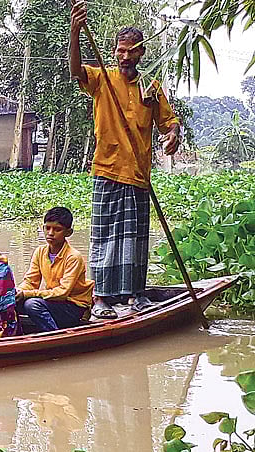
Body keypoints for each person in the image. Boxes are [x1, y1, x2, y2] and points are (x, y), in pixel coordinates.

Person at [70, 2, 181, 318]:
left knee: (135, 241)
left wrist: (174, 135)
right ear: (115, 51)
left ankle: (135, 297)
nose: (125, 56)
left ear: (142, 52)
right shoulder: (102, 79)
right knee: (104, 237)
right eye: (121, 50)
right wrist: (76, 31)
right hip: (106, 170)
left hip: (138, 175)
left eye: (132, 51)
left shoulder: (150, 87)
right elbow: (75, 70)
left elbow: (169, 122)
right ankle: (102, 299)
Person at [17, 207, 95, 332]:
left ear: (68, 232)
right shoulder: (40, 252)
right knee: (10, 303)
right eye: (47, 228)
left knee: (32, 304)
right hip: (54, 302)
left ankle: (54, 335)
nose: (50, 233)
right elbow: (31, 282)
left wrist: (27, 294)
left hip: (73, 306)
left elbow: (62, 293)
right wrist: (18, 291)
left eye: (57, 229)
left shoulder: (73, 257)